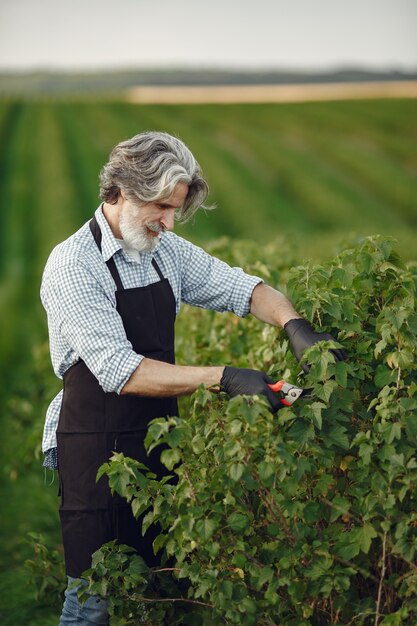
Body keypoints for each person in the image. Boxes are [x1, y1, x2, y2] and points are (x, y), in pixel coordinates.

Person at [40, 131, 345, 625]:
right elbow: (122, 370)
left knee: (162, 592)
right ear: (120, 190)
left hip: (159, 441)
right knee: (91, 600)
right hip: (92, 453)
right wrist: (224, 377)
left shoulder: (166, 252)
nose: (168, 222)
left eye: (175, 209)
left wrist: (294, 325)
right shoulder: (73, 264)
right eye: (160, 207)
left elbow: (242, 288)